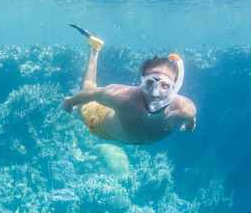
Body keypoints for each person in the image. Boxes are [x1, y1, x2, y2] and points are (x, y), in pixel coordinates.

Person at [63, 24, 197, 145]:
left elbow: (191, 120)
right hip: (99, 124)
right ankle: (94, 49)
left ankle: (94, 47)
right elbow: (91, 93)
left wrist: (188, 126)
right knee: (85, 100)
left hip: (120, 132)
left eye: (165, 85)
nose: (155, 93)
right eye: (149, 83)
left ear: (175, 87)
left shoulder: (185, 109)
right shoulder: (123, 98)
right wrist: (69, 102)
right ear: (141, 82)